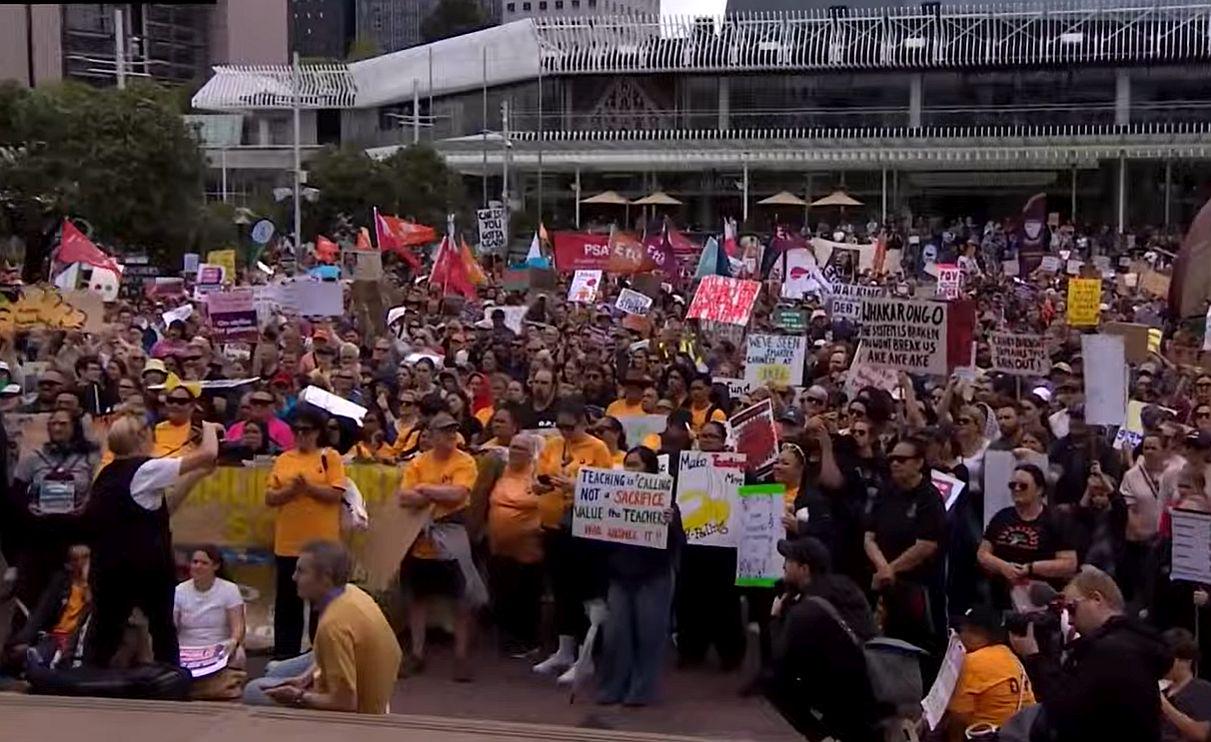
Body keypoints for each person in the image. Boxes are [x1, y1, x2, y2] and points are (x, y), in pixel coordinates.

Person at [83, 414, 220, 667]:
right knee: (162, 629)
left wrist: (198, 475)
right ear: (141, 438)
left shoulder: (105, 473)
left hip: (108, 564)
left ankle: (88, 680)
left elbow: (159, 507)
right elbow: (209, 452)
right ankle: (170, 678)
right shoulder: (147, 468)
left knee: (104, 631)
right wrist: (210, 427)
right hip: (145, 565)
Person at [1009, 565, 1172, 742]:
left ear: (1096, 599)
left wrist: (1034, 658)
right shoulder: (1135, 642)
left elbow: (1065, 711)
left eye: (1071, 608)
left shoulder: (1110, 651)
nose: (1070, 619)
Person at [251, 541, 401, 714]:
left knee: (253, 691)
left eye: (301, 571)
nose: (294, 577)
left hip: (362, 711)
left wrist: (298, 696)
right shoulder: (351, 592)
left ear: (326, 577)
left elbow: (346, 703)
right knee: (274, 670)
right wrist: (304, 679)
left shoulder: (332, 625)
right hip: (373, 683)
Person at [763, 536, 880, 742]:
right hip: (872, 681)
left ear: (804, 569)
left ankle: (821, 736)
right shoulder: (847, 586)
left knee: (771, 680)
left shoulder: (806, 609)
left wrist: (775, 618)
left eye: (789, 561)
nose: (784, 565)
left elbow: (780, 655)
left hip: (838, 694)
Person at [396, 411, 480, 681]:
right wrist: (433, 493)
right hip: (421, 535)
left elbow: (458, 494)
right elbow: (404, 497)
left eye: (453, 431)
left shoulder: (465, 461)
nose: (450, 436)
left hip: (452, 531)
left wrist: (425, 490)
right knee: (418, 598)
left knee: (461, 599)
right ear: (430, 436)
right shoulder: (419, 462)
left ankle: (461, 656)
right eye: (444, 431)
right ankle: (417, 653)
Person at [596, 446, 683, 707]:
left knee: (649, 635)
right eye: (627, 464)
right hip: (621, 573)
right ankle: (614, 686)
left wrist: (672, 523)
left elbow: (679, 543)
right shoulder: (613, 497)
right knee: (616, 635)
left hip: (653, 575)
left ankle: (642, 689)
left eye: (636, 465)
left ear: (650, 468)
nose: (631, 470)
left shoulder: (666, 502)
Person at [533, 402, 613, 682]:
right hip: (555, 525)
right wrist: (543, 484)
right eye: (561, 426)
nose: (565, 432)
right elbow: (539, 476)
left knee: (583, 591)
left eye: (571, 427)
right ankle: (563, 649)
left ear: (584, 423)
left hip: (583, 528)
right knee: (561, 588)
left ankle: (585, 655)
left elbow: (605, 486)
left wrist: (575, 486)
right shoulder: (553, 445)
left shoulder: (597, 448)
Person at [264, 406, 346, 659]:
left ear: (317, 432)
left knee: (322, 604)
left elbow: (336, 493)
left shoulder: (330, 457)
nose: (301, 435)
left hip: (321, 545)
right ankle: (284, 658)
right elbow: (270, 497)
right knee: (288, 604)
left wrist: (308, 488)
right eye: (296, 430)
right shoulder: (284, 459)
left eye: (306, 430)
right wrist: (290, 493)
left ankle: (323, 657)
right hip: (288, 544)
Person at [863, 437, 945, 655]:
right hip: (884, 583)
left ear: (918, 462)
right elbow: (869, 536)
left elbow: (926, 545)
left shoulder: (929, 498)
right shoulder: (885, 491)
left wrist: (891, 569)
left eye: (901, 459)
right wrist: (883, 568)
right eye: (892, 459)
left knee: (917, 647)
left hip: (917, 587)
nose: (895, 464)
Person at [9, 409, 100, 605]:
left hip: (77, 530)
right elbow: (16, 495)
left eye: (63, 423)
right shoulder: (33, 458)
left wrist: (87, 504)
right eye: (53, 423)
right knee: (32, 590)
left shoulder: (90, 458)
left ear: (75, 427)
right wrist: (29, 508)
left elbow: (100, 492)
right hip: (40, 530)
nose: (57, 428)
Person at [978, 464, 1077, 609]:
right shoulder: (1002, 516)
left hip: (1041, 598)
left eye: (1023, 486)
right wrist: (1003, 567)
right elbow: (982, 553)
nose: (1016, 489)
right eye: (1012, 485)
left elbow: (1069, 564)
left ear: (1039, 490)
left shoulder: (1056, 520)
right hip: (1002, 596)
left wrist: (1031, 568)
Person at [486, 434, 544, 656]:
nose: (516, 453)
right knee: (502, 593)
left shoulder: (538, 474)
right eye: (513, 447)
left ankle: (528, 641)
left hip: (528, 547)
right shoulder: (501, 471)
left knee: (525, 595)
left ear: (531, 453)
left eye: (522, 449)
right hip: (500, 546)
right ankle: (506, 638)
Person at [943, 606, 1036, 739]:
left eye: (965, 630)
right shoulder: (1009, 654)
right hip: (1023, 733)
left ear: (979, 634)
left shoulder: (972, 662)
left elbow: (958, 718)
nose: (960, 636)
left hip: (992, 736)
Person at [6, 544, 91, 670]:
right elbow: (41, 612)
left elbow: (89, 606)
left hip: (78, 642)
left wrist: (84, 581)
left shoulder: (93, 586)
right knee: (30, 653)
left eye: (84, 558)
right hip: (57, 636)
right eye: (75, 558)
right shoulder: (61, 582)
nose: (80, 562)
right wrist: (22, 640)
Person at [174, 546, 245, 667]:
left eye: (204, 563)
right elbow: (172, 626)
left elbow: (238, 625)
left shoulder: (229, 589)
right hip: (186, 648)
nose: (198, 566)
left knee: (239, 656)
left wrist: (233, 642)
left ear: (216, 566)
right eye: (195, 562)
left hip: (220, 645)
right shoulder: (179, 590)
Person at [1162, 628, 1211, 742]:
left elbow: (1202, 734)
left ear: (1187, 659)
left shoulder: (1203, 690)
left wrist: (1164, 705)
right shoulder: (1164, 693)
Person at [227, 389, 294, 451]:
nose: (258, 406)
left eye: (264, 403)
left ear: (273, 406)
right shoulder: (235, 428)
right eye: (254, 402)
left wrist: (267, 445)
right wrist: (239, 444)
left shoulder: (284, 429)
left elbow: (288, 453)